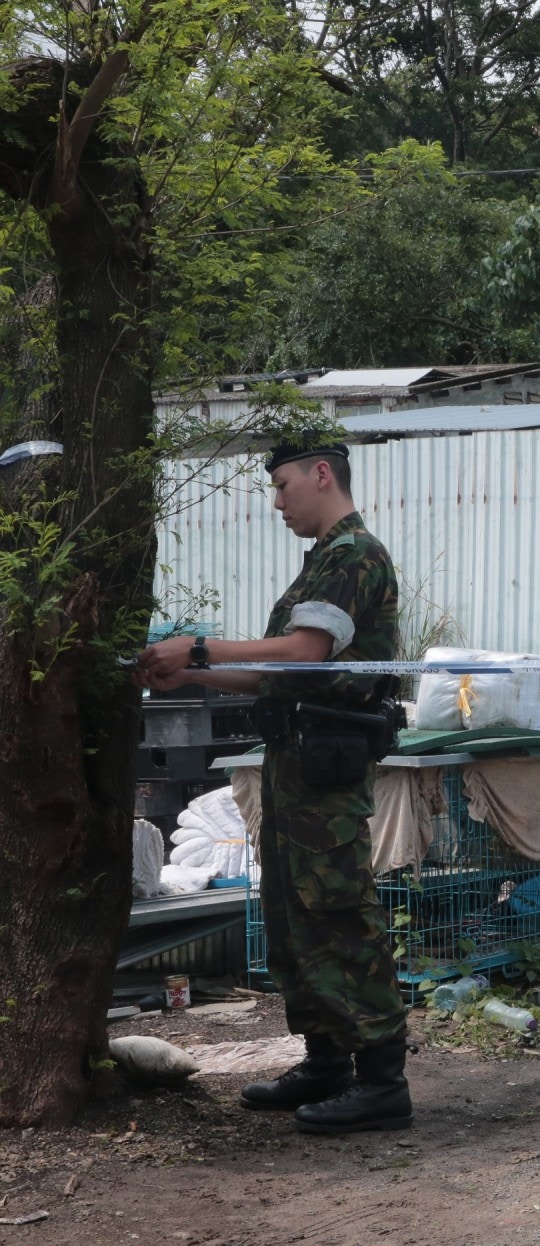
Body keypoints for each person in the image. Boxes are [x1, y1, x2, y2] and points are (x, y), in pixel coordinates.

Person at [136, 436, 411, 1134]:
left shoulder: (354, 556)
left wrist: (197, 646)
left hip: (327, 767)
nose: (278, 500)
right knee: (293, 916)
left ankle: (382, 1082)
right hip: (295, 764)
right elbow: (274, 673)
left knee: (338, 913)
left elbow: (304, 653)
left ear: (323, 475)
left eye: (284, 485)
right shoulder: (321, 562)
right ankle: (326, 1064)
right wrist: (190, 673)